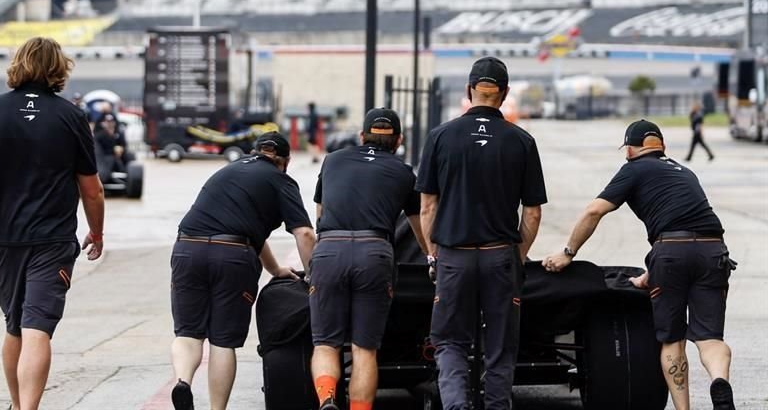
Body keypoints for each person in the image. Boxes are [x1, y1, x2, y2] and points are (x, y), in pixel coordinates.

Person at [0, 37, 105, 410]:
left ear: (18, 64)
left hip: (5, 240)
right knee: (38, 328)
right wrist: (96, 231)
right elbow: (92, 190)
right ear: (58, 69)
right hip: (53, 240)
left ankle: (18, 406)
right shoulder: (71, 116)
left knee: (15, 325)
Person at [543, 120, 736, 410]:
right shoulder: (685, 172)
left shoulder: (633, 169)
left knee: (672, 341)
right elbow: (687, 228)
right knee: (710, 339)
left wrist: (568, 252)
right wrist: (651, 274)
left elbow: (595, 210)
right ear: (662, 147)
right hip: (714, 250)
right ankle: (719, 381)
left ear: (631, 150)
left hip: (670, 252)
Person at [416, 56, 546, 410]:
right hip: (499, 254)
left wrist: (433, 253)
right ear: (503, 95)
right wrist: (515, 256)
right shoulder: (521, 141)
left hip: (454, 257)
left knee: (449, 341)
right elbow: (532, 213)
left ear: (469, 91)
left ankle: (456, 405)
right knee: (501, 344)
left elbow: (427, 206)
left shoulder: (440, 137)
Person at [170, 131, 316, 410]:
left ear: (254, 151)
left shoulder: (226, 172)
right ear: (285, 161)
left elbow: (251, 234)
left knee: (188, 334)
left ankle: (182, 382)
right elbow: (305, 234)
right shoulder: (280, 180)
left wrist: (274, 269)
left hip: (188, 247)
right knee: (223, 341)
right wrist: (313, 277)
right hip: (233, 255)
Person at [309, 108, 429, 410]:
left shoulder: (333, 161)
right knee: (365, 350)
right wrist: (433, 258)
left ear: (362, 136)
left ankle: (327, 398)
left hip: (330, 249)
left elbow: (320, 215)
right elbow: (420, 228)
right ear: (398, 140)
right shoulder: (403, 172)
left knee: (325, 343)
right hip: (374, 253)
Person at [94, 112, 134, 182]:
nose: (109, 124)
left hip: (118, 159)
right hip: (104, 160)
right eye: (107, 122)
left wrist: (121, 149)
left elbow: (124, 145)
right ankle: (104, 177)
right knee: (110, 159)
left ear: (114, 123)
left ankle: (127, 176)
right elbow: (97, 150)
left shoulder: (119, 134)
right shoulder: (99, 136)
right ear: (103, 123)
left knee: (130, 156)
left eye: (111, 122)